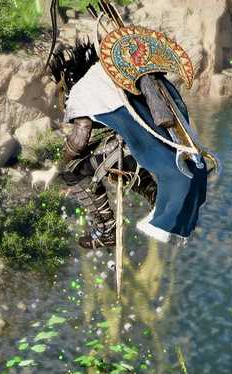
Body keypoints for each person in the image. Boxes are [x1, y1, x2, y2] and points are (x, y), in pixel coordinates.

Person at [56, 46, 210, 250]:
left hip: (129, 151)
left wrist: (63, 160)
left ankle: (105, 229)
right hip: (149, 150)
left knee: (71, 172)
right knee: (114, 155)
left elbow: (80, 136)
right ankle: (153, 194)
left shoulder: (83, 88)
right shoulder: (120, 69)